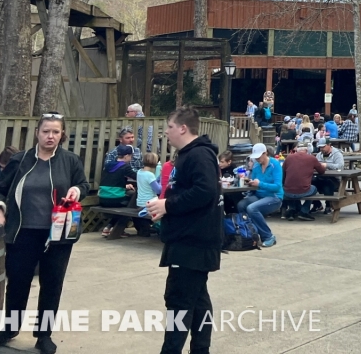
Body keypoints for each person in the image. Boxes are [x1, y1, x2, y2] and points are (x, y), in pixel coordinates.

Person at [0, 113, 89, 353]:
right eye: (46, 131)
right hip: (23, 234)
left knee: (52, 284)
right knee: (17, 283)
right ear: (37, 133)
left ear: (62, 134)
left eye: (56, 132)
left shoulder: (71, 161)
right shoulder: (20, 160)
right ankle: (10, 328)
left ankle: (44, 335)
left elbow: (84, 185)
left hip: (58, 235)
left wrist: (76, 190)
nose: (50, 136)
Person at [145, 107, 223, 354]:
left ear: (182, 128)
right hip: (189, 238)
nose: (166, 132)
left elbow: (205, 191)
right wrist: (164, 207)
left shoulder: (198, 155)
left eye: (169, 126)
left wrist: (168, 204)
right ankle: (201, 349)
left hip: (193, 241)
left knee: (179, 303)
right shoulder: (187, 155)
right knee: (198, 301)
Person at [238, 143, 282, 248]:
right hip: (259, 195)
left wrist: (260, 184)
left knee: (252, 208)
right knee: (241, 205)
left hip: (274, 197)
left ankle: (268, 236)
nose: (257, 159)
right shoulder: (257, 166)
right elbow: (255, 182)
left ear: (265, 153)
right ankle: (250, 232)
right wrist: (250, 182)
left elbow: (277, 186)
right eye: (255, 157)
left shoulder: (275, 165)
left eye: (258, 156)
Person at [99, 144, 136, 237]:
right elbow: (137, 177)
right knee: (131, 202)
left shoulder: (108, 165)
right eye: (131, 156)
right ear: (127, 156)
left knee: (127, 198)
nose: (131, 159)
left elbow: (112, 180)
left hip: (102, 198)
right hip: (114, 200)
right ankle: (116, 229)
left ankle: (108, 227)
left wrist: (124, 185)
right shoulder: (125, 167)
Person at [281, 145, 325, 220]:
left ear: (296, 150)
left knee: (291, 187)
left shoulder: (288, 157)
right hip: (303, 190)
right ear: (307, 150)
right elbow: (321, 171)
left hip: (287, 191)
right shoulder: (311, 158)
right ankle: (304, 211)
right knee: (313, 188)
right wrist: (322, 166)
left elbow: (283, 173)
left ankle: (292, 209)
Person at [313, 139, 344, 214]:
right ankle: (317, 204)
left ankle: (328, 205)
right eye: (320, 147)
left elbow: (340, 166)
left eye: (323, 147)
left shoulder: (337, 154)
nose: (321, 149)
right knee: (310, 182)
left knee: (327, 183)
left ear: (329, 145)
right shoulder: (319, 155)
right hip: (320, 177)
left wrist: (327, 165)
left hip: (334, 179)